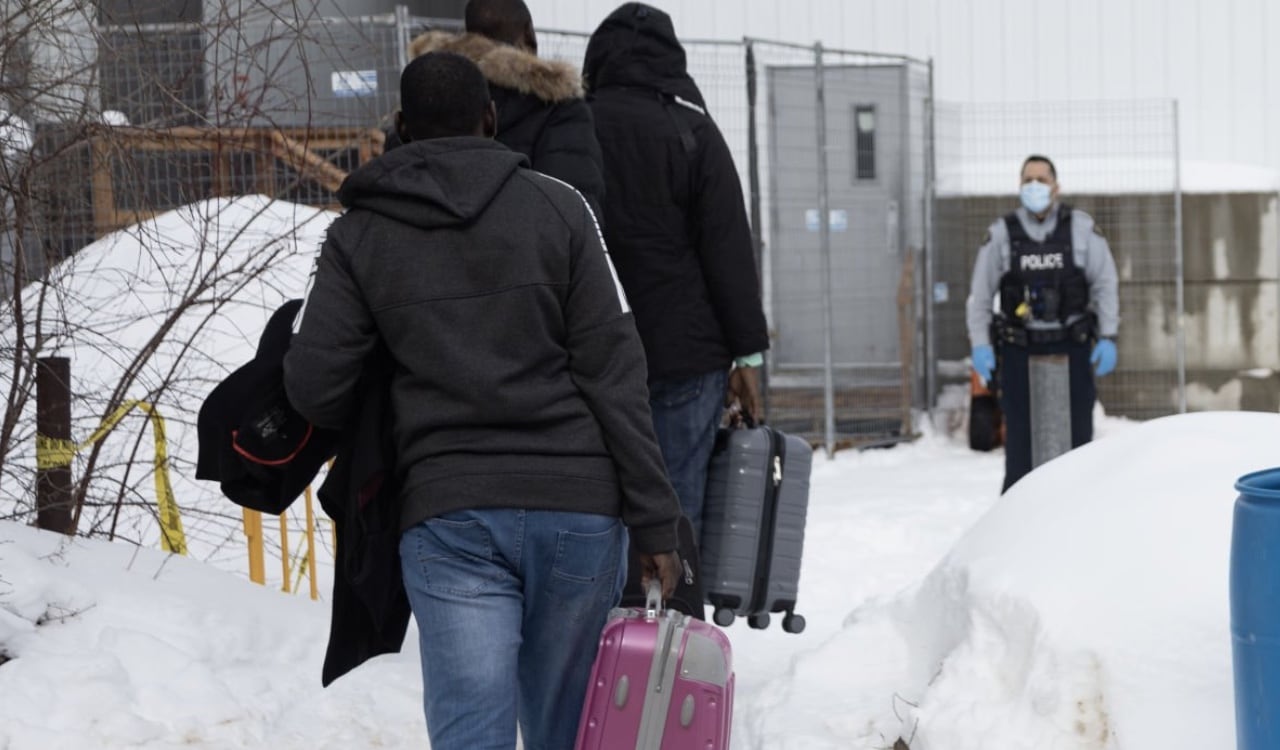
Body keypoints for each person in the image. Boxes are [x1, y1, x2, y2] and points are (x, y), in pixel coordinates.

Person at [282, 52, 682, 750]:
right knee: (566, 728)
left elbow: (315, 387)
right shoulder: (563, 209)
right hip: (578, 511)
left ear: (400, 127)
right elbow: (618, 373)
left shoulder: (357, 236)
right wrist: (655, 523)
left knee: (471, 730)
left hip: (449, 514)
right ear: (491, 118)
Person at [582, 3, 770, 536]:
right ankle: (672, 616)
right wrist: (747, 355)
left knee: (599, 506)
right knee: (676, 505)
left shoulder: (572, 131)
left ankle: (606, 618)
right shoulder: (695, 134)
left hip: (594, 355)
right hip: (686, 358)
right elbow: (728, 252)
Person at [966, 154, 1120, 493]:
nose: (1034, 186)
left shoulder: (1081, 229)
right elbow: (980, 296)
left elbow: (1105, 284)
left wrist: (1109, 335)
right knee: (1020, 444)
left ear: (1056, 187)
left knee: (1080, 441)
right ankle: (1017, 521)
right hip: (1020, 348)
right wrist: (980, 344)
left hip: (1072, 346)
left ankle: (1080, 508)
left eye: (1042, 179)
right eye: (1027, 180)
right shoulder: (1002, 234)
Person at [394, 0, 606, 218]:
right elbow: (576, 215)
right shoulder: (558, 108)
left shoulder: (422, 94)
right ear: (529, 34)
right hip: (528, 246)